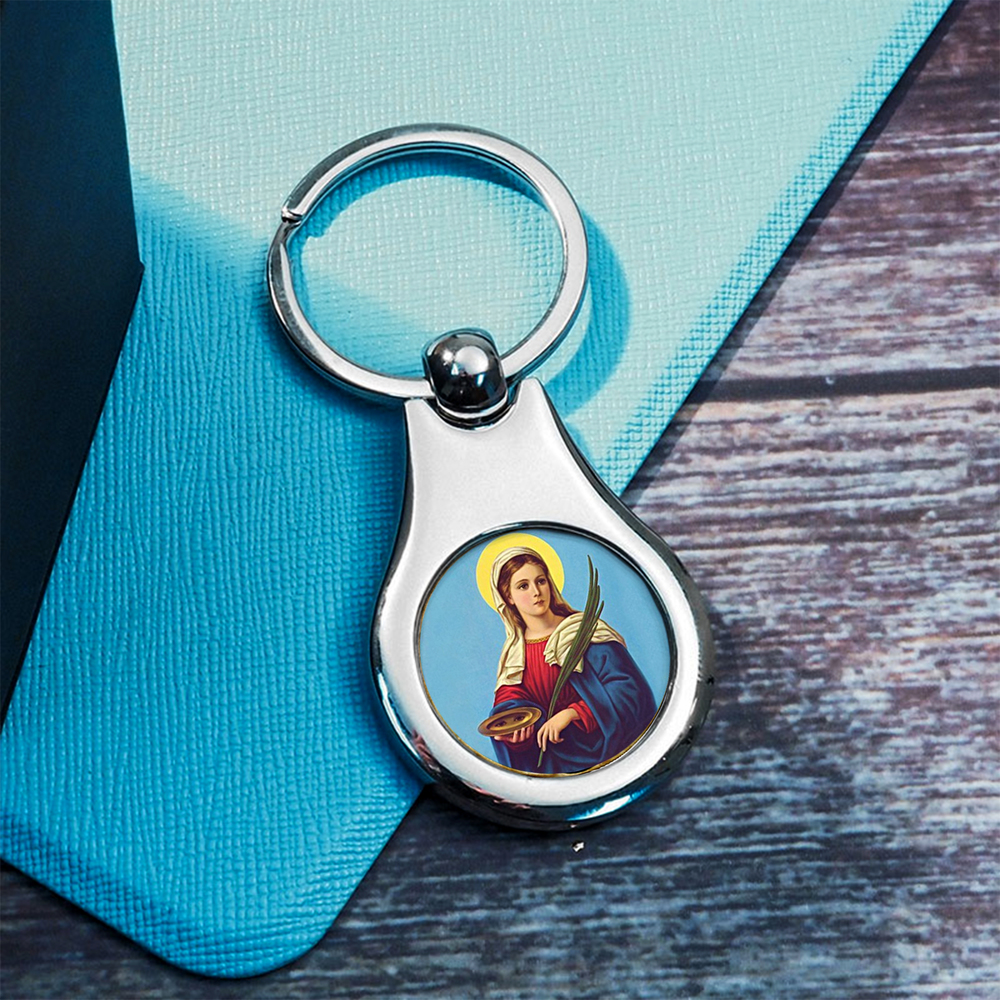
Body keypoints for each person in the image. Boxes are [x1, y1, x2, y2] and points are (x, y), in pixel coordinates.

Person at [487, 545, 656, 775]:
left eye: (541, 581)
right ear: (508, 597)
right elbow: (510, 701)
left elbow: (629, 690)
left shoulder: (583, 631)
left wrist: (573, 713)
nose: (536, 592)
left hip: (605, 750)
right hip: (553, 763)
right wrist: (516, 732)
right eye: (523, 586)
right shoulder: (515, 653)